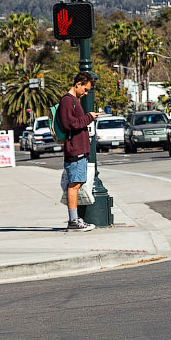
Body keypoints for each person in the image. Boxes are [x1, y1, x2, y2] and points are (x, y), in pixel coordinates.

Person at [58, 72, 100, 232]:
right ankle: (73, 220)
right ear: (78, 84)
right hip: (74, 150)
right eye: (86, 89)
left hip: (79, 149)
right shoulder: (68, 101)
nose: (86, 93)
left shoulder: (74, 101)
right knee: (74, 185)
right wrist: (89, 117)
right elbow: (70, 124)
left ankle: (75, 219)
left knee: (76, 184)